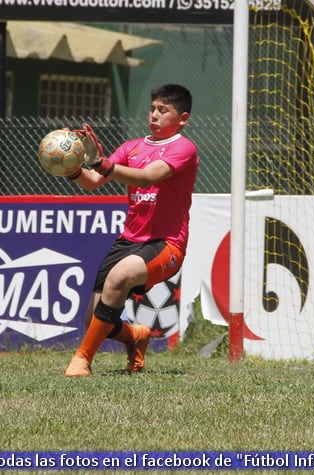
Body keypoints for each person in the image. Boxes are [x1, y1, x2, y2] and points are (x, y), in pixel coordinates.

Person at [63, 84, 198, 377]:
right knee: (96, 320)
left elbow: (150, 177)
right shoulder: (132, 146)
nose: (154, 114)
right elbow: (94, 181)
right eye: (152, 108)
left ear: (182, 118)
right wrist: (70, 166)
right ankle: (135, 335)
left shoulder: (183, 147)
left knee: (120, 277)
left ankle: (82, 360)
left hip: (166, 243)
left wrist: (103, 164)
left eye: (164, 110)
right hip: (128, 241)